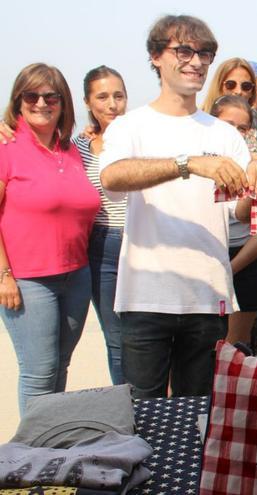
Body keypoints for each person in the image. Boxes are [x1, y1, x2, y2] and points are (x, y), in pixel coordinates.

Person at [99, 15, 257, 398]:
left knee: (198, 415)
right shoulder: (130, 127)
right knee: (142, 414)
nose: (196, 61)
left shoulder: (226, 133)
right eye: (184, 50)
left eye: (205, 53)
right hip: (146, 294)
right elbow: (111, 177)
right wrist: (188, 163)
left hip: (207, 297)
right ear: (156, 56)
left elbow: (242, 213)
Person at [0, 63, 101, 413]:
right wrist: (4, 275)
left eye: (50, 96)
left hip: (76, 276)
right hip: (28, 280)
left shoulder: (73, 151)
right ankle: (28, 458)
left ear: (63, 103)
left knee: (60, 367)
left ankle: (51, 445)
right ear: (18, 102)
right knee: (39, 373)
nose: (41, 102)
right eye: (31, 95)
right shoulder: (6, 148)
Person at [75, 66, 129, 385]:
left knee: (148, 335)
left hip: (143, 244)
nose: (112, 104)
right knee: (118, 339)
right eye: (103, 96)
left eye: (118, 96)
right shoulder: (79, 147)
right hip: (102, 246)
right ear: (88, 102)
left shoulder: (143, 138)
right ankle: (127, 413)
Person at [208, 95, 257, 346]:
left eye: (241, 127)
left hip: (243, 261)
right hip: (205, 258)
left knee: (234, 348)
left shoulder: (255, 165)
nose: (234, 132)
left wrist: (229, 269)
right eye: (227, 124)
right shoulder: (196, 160)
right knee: (195, 347)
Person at [200, 58, 257, 151]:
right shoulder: (199, 119)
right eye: (231, 84)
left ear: (252, 92)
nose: (238, 91)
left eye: (246, 86)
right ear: (219, 86)